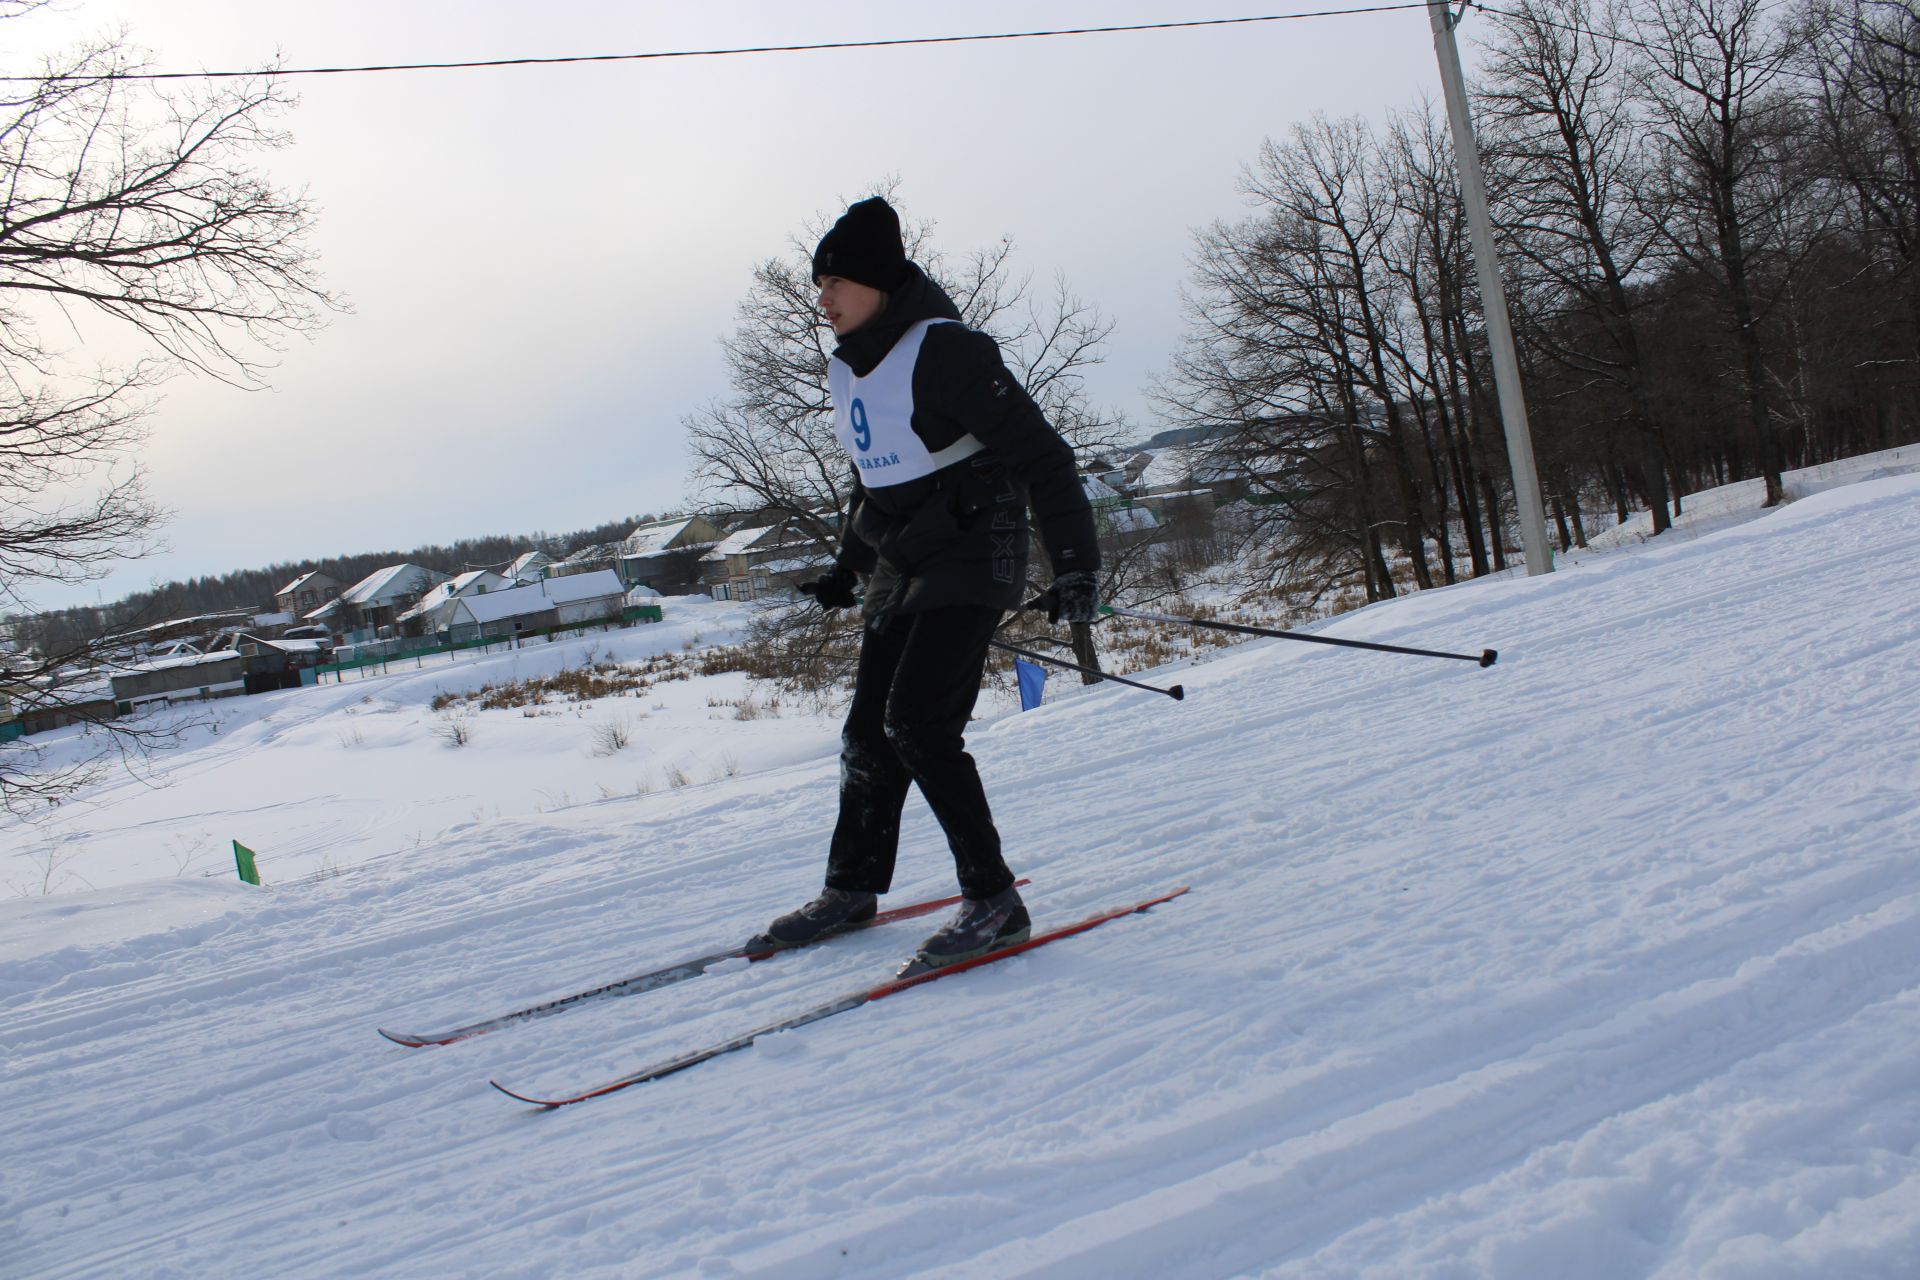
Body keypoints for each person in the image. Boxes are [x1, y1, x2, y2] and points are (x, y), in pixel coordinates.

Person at [751, 196, 1100, 968]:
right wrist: (849, 563)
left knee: (918, 724)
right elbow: (872, 479)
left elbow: (1045, 456)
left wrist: (1077, 566)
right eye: (820, 284)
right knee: (865, 734)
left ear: (877, 282)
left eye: (833, 281)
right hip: (906, 557)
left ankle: (994, 901)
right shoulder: (849, 369)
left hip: (977, 549)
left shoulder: (946, 352)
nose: (823, 298)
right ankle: (851, 888)